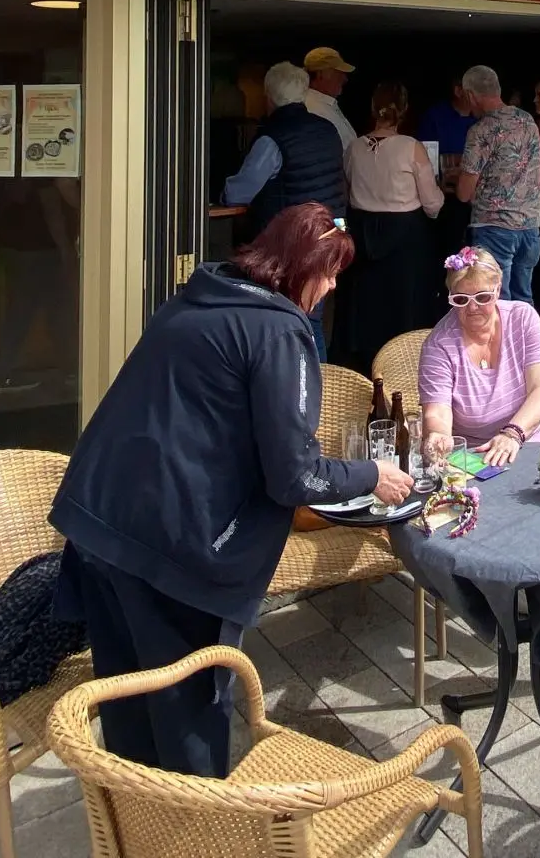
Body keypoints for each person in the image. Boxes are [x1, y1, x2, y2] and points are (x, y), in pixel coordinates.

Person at [49, 205, 412, 778]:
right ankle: (196, 820)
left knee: (126, 702)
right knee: (188, 719)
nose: (333, 287)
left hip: (98, 521)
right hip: (174, 548)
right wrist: (372, 475)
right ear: (300, 268)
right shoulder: (280, 331)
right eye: (329, 272)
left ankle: (133, 815)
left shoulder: (196, 300)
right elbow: (295, 477)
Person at [223, 63, 346, 356]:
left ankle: (303, 381)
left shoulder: (273, 137)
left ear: (269, 96)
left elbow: (238, 192)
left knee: (286, 321)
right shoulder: (328, 130)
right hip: (328, 235)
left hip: (292, 244)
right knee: (312, 319)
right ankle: (320, 380)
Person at [341, 81, 445, 366]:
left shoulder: (353, 148)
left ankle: (365, 367)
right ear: (404, 109)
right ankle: (402, 364)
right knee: (404, 306)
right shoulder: (412, 148)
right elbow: (432, 205)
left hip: (362, 234)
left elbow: (347, 191)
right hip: (405, 238)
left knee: (367, 306)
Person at [419, 246, 540, 465]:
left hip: (528, 443)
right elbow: (437, 412)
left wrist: (512, 434)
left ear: (498, 289)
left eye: (482, 297)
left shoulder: (523, 318)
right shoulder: (438, 345)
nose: (473, 307)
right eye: (461, 300)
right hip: (474, 459)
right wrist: (439, 435)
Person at [458, 65, 540, 304]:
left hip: (494, 228)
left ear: (470, 95)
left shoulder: (481, 130)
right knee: (524, 302)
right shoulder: (528, 121)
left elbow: (464, 193)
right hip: (530, 228)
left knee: (496, 302)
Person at [418, 77, 477, 188]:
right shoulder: (434, 117)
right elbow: (423, 158)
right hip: (441, 191)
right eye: (475, 90)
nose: (480, 95)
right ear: (458, 91)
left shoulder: (485, 119)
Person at [303, 47, 356, 150]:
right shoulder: (313, 110)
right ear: (321, 74)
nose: (345, 79)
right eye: (338, 73)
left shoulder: (325, 104)